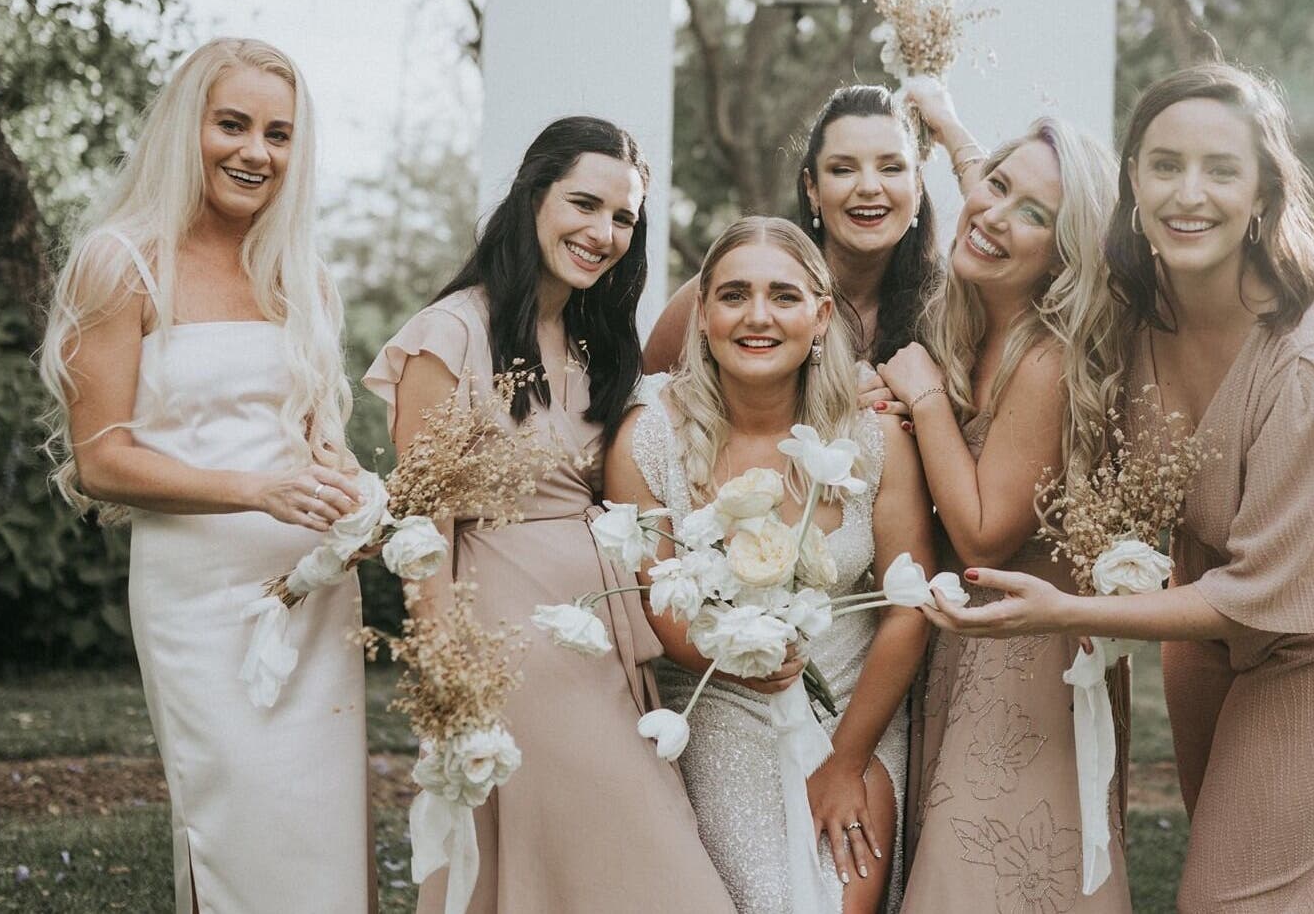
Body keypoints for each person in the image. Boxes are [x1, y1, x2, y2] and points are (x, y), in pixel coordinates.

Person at [928, 63, 1314, 913]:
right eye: (1165, 165)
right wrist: (948, 130)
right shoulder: (1132, 288)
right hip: (1206, 606)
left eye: (1221, 170)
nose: (1188, 194)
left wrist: (1063, 612)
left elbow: (1266, 593)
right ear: (1133, 181)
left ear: (1265, 194)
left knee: (1230, 897)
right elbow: (1012, 219)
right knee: (1239, 862)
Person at [363, 116, 734, 914]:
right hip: (510, 647)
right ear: (534, 196)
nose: (604, 233)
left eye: (624, 218)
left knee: (593, 873)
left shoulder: (595, 340)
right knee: (656, 877)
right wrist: (450, 690)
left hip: (603, 642)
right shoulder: (449, 335)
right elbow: (420, 532)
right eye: (585, 204)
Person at [39, 37, 372, 913]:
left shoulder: (304, 276)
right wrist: (255, 489)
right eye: (231, 125)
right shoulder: (121, 263)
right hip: (198, 598)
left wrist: (340, 479)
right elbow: (101, 459)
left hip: (313, 591)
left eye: (278, 133)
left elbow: (315, 436)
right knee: (235, 823)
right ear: (187, 127)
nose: (255, 152)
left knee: (321, 827)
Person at [607, 216, 937, 914]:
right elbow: (663, 609)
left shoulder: (873, 436)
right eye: (733, 296)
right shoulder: (649, 440)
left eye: (784, 297)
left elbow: (907, 611)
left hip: (855, 707)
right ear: (703, 315)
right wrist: (736, 658)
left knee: (845, 892)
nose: (758, 317)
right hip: (717, 704)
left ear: (820, 315)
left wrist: (847, 761)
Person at [875, 110, 1133, 913]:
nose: (993, 215)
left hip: (1026, 668)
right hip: (966, 653)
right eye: (996, 186)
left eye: (1035, 215)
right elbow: (978, 184)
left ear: (1065, 254)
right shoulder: (970, 322)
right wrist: (944, 118)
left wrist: (920, 394)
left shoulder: (1048, 357)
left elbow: (984, 530)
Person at [643, 86, 953, 380]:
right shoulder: (733, 289)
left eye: (891, 168)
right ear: (812, 189)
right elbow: (643, 406)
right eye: (843, 170)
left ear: (918, 186)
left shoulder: (948, 308)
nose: (869, 187)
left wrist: (951, 129)